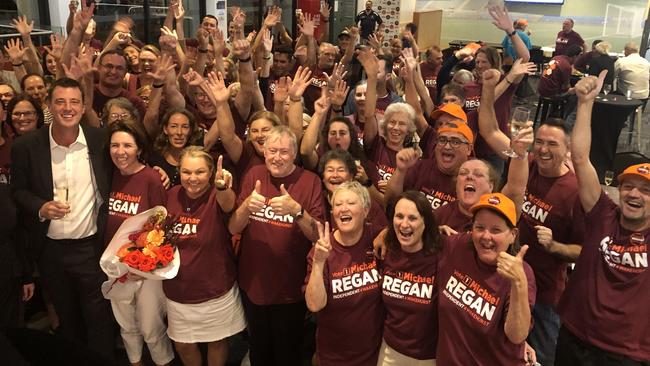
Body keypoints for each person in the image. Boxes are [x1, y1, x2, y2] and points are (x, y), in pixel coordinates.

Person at [478, 69, 582, 365]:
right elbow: (489, 130)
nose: (545, 149)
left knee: (541, 359)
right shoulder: (526, 161)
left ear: (568, 150)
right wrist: (488, 87)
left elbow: (584, 251)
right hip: (505, 279)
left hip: (547, 295)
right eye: (542, 142)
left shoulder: (574, 191)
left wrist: (554, 247)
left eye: (554, 145)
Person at [11, 77, 115, 361]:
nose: (67, 108)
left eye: (74, 102)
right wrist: (41, 207)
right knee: (67, 320)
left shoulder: (100, 140)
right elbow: (17, 191)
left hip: (92, 248)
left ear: (83, 107)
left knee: (100, 320)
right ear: (48, 106)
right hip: (50, 250)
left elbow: (130, 163)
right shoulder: (26, 146)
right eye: (60, 102)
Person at [556, 70, 650, 365]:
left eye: (646, 191)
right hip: (575, 337)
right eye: (629, 187)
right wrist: (585, 104)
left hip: (626, 355)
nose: (634, 194)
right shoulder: (602, 214)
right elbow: (581, 158)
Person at [229, 125, 324, 366]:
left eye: (283, 152)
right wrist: (245, 207)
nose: (277, 157)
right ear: (264, 151)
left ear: (294, 154)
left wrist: (298, 212)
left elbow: (317, 235)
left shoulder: (310, 181)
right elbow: (233, 227)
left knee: (287, 353)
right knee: (259, 350)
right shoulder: (254, 175)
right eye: (272, 151)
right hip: (253, 285)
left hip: (290, 289)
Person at [164, 146, 246, 366]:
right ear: (179, 172)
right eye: (187, 172)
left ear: (211, 173)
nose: (192, 178)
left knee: (216, 342)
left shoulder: (217, 195)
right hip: (178, 289)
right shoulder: (171, 195)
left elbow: (228, 203)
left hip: (214, 288)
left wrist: (222, 187)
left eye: (199, 172)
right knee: (182, 344)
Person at [436, 193, 536, 365]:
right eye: (480, 227)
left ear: (513, 234)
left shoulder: (522, 273)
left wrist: (518, 284)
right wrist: (386, 233)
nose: (486, 236)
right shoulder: (459, 246)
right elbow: (417, 237)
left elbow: (517, 335)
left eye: (496, 230)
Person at [105, 121, 173, 366]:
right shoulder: (108, 175)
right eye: (114, 145)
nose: (120, 151)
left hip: (147, 270)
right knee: (126, 326)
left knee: (151, 328)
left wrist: (143, 266)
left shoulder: (152, 178)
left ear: (139, 149)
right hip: (114, 265)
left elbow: (162, 228)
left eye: (127, 145)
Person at [305, 181, 383, 366]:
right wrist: (319, 262)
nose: (343, 209)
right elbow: (314, 305)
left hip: (375, 354)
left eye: (351, 203)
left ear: (366, 211)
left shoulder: (378, 238)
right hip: (334, 355)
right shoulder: (322, 248)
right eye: (338, 205)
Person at [378, 190, 440, 364]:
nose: (404, 224)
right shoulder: (385, 252)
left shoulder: (441, 255)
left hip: (429, 357)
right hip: (391, 351)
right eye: (399, 216)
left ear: (425, 222)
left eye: (412, 218)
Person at [318, 150, 387, 229]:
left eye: (341, 170)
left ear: (351, 176)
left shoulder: (366, 203)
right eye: (330, 170)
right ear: (323, 176)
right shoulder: (317, 200)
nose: (335, 175)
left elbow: (383, 234)